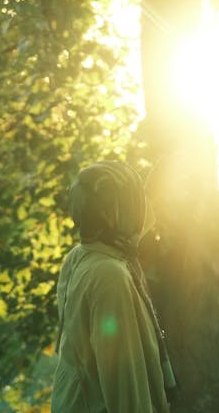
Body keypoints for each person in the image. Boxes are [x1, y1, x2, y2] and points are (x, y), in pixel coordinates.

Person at [51, 161, 176, 413]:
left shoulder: (84, 254)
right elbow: (123, 380)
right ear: (120, 211)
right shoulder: (110, 275)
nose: (142, 208)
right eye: (135, 200)